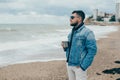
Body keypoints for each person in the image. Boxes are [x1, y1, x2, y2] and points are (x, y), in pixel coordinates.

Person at [61, 10, 97, 80]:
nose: (70, 19)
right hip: (69, 64)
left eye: (72, 17)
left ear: (79, 18)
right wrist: (65, 47)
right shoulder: (71, 33)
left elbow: (93, 50)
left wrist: (83, 66)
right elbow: (72, 48)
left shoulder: (87, 32)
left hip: (79, 66)